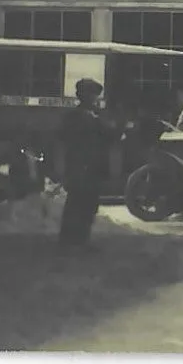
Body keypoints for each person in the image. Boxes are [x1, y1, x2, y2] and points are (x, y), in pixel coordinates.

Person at [57, 77, 115, 249]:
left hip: (83, 168)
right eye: (94, 95)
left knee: (81, 205)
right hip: (84, 169)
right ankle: (74, 242)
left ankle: (75, 241)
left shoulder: (79, 116)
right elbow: (108, 136)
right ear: (85, 96)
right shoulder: (85, 118)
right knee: (81, 205)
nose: (96, 99)